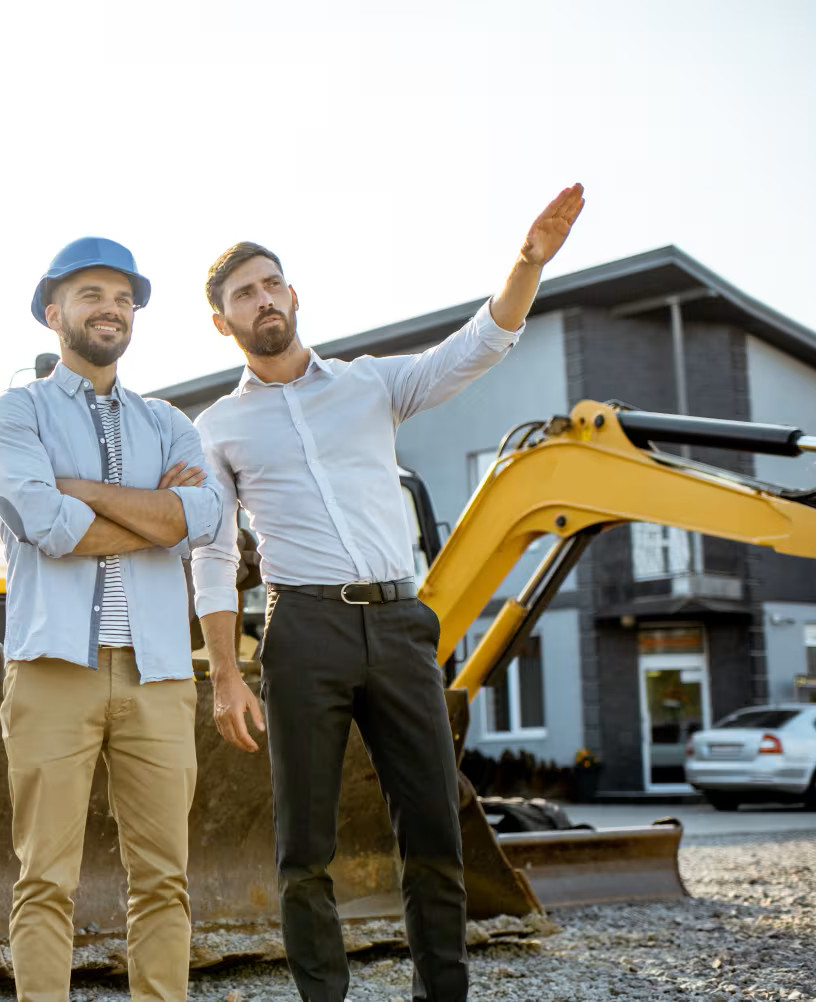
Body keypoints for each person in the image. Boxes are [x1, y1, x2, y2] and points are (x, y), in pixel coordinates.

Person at [191, 185, 588, 1002]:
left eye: (272, 284)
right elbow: (210, 549)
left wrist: (527, 264)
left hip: (402, 624)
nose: (263, 300)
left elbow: (480, 345)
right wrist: (227, 672)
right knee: (305, 848)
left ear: (293, 296)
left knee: (435, 833)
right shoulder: (218, 429)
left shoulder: (372, 385)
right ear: (222, 322)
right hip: (302, 631)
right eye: (243, 295)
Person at [0, 236, 223, 1002]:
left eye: (122, 297)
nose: (110, 309)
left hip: (158, 675)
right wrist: (161, 516)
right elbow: (43, 523)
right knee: (44, 880)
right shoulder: (17, 413)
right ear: (55, 314)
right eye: (91, 295)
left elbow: (210, 516)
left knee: (165, 880)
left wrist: (82, 489)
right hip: (55, 669)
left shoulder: (168, 423)